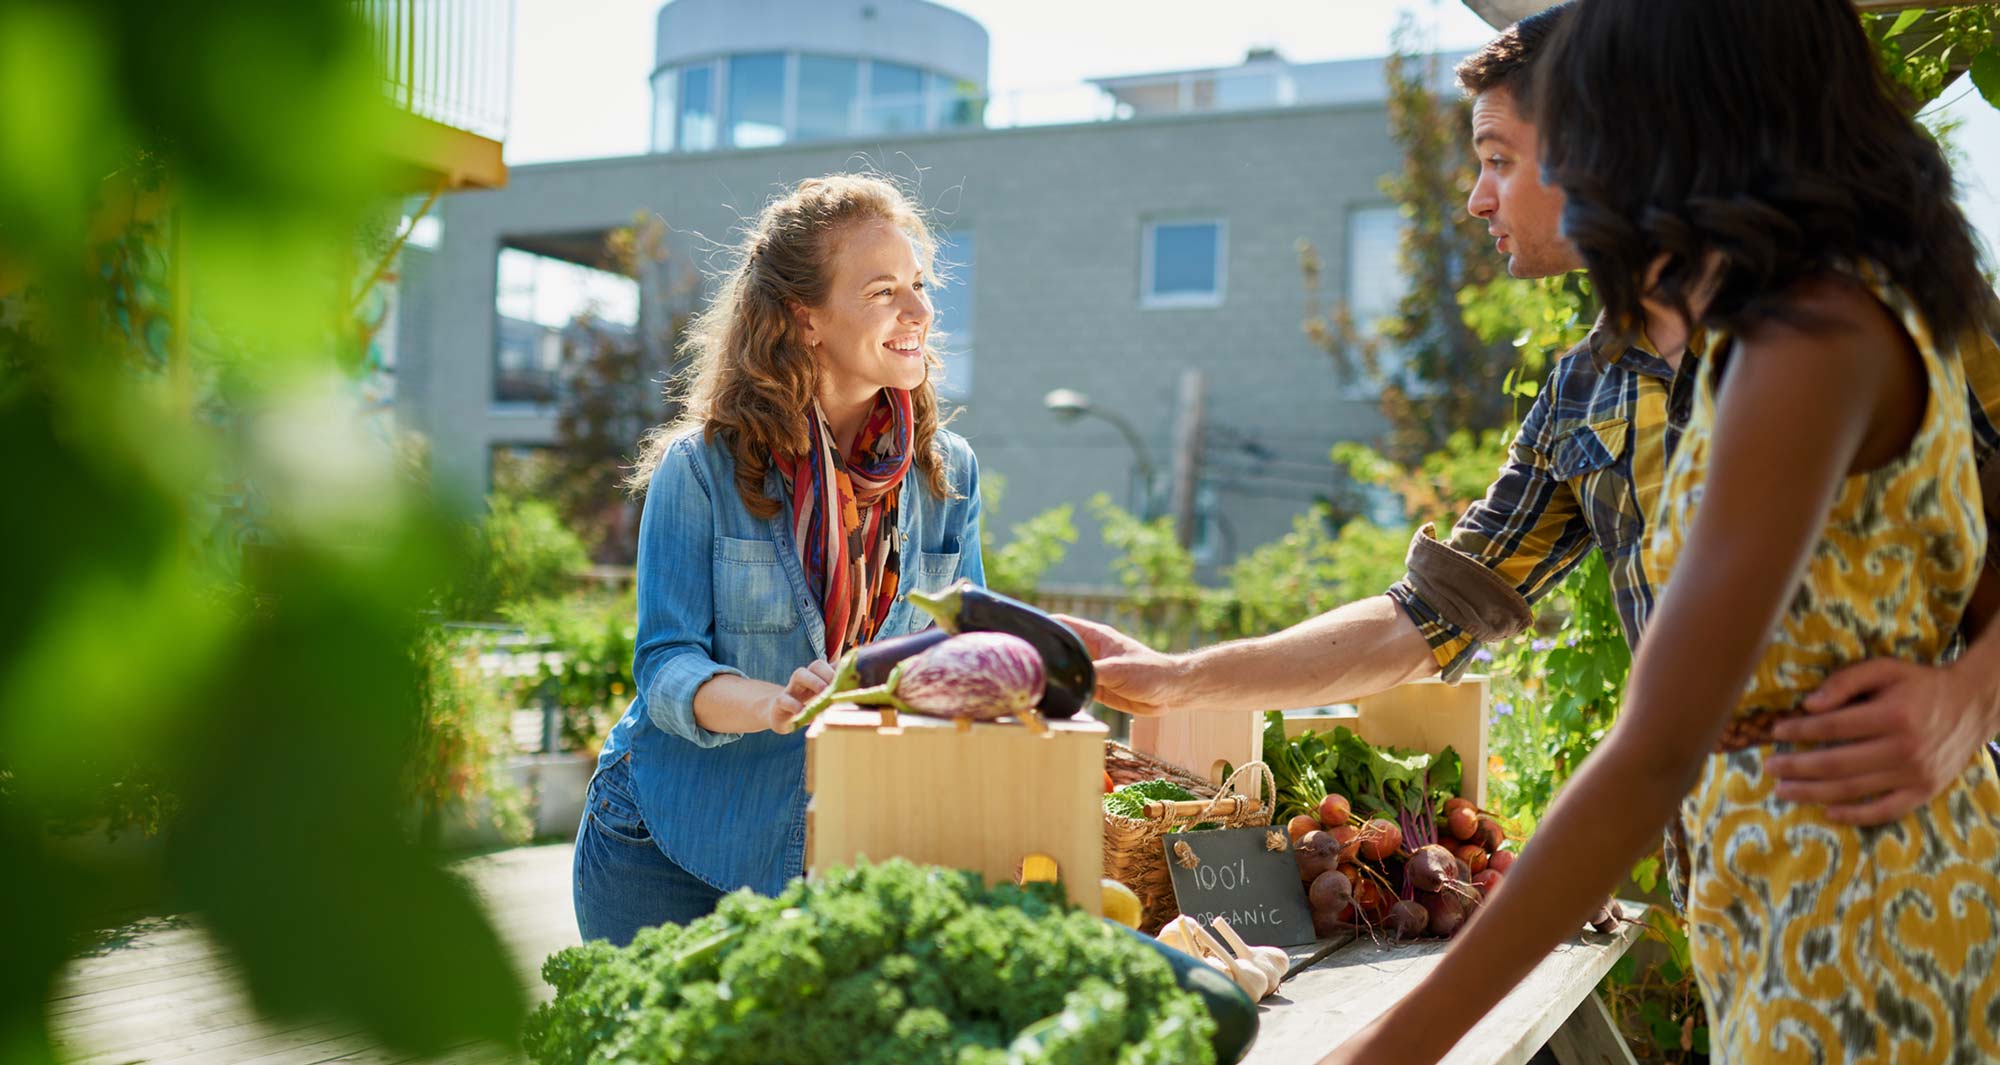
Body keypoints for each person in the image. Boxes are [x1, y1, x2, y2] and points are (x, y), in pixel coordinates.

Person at [1060, 1, 2000, 833]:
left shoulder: (1871, 320)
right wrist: (1177, 677)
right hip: (1724, 877)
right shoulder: (1583, 390)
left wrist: (1972, 693)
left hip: (1918, 860)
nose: (1474, 198)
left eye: (1498, 159)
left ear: (1606, 150)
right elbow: (1427, 617)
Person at [1320, 1, 2000, 1061]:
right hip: (1790, 890)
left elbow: (1653, 753)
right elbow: (1445, 609)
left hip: (1857, 911)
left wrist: (1387, 1049)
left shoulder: (1803, 338)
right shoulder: (1781, 323)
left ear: (1682, 115)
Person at [572, 174, 985, 946]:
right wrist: (772, 703)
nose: (920, 312)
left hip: (850, 853)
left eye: (921, 286)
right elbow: (665, 665)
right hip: (669, 849)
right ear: (806, 318)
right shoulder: (700, 470)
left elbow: (968, 648)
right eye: (883, 291)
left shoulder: (946, 473)